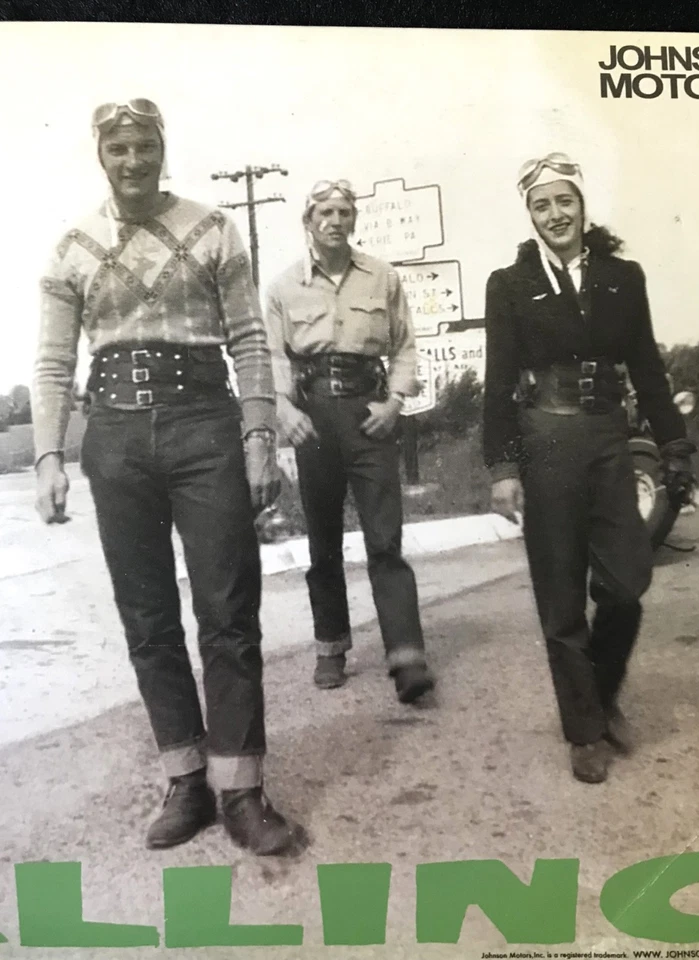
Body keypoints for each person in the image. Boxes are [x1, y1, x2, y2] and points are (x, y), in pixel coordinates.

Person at [32, 99, 304, 855]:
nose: (133, 161)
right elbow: (55, 364)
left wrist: (258, 436)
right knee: (147, 617)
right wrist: (49, 456)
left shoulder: (213, 228)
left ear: (163, 148)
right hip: (115, 436)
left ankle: (242, 787)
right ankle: (187, 780)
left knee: (226, 606)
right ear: (101, 155)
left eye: (145, 145)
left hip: (203, 424)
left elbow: (250, 338)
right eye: (118, 148)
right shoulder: (71, 249)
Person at [483, 152, 695, 783]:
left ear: (582, 203)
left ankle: (602, 693)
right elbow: (497, 385)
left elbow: (649, 370)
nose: (556, 214)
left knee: (627, 584)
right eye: (542, 204)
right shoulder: (509, 284)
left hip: (608, 437)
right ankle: (584, 729)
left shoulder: (622, 277)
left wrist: (675, 445)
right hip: (544, 438)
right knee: (559, 594)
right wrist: (502, 466)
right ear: (531, 213)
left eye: (565, 200)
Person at [264, 179, 435, 702]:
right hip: (313, 417)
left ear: (355, 220)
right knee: (323, 540)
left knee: (385, 539)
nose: (335, 221)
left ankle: (406, 656)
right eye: (325, 213)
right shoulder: (283, 286)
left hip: (369, 414)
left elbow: (404, 345)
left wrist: (394, 402)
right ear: (308, 222)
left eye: (344, 211)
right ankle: (331, 647)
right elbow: (272, 356)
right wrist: (284, 409)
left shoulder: (381, 278)